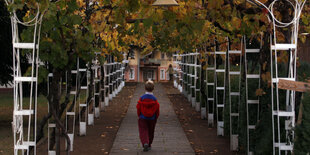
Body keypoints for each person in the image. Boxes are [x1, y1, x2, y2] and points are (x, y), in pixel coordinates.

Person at [136, 80, 160, 152]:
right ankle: (149, 144)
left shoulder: (142, 98)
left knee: (143, 131)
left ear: (145, 88)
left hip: (143, 118)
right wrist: (156, 117)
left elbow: (138, 107)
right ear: (153, 88)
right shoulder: (155, 99)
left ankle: (145, 142)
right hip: (152, 118)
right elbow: (157, 109)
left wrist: (139, 114)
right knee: (151, 131)